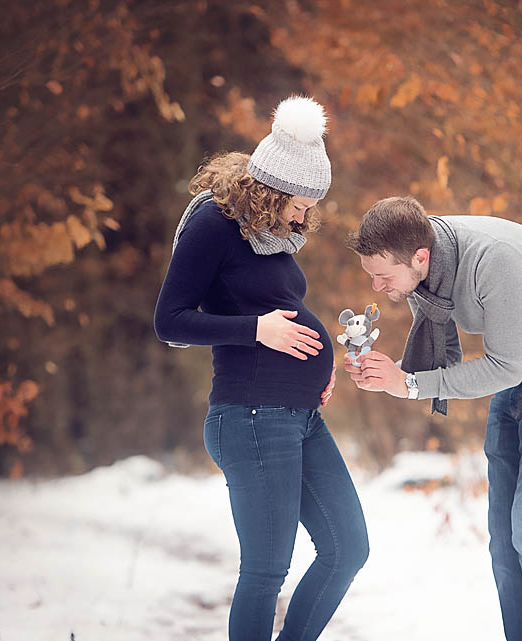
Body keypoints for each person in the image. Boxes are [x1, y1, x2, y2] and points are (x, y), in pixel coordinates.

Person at [343, 196, 522, 641]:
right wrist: (389, 375)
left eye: (382, 276)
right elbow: (437, 367)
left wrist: (410, 384)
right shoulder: (425, 273)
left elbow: (502, 366)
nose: (377, 287)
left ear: (419, 257)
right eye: (371, 275)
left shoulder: (494, 259)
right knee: (504, 539)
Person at [154, 96, 368, 641]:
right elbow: (170, 320)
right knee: (267, 571)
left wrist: (320, 368)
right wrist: (259, 330)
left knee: (348, 547)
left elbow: (282, 308)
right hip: (250, 415)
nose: (304, 217)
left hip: (298, 415)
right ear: (271, 188)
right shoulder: (214, 223)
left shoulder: (268, 236)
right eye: (300, 204)